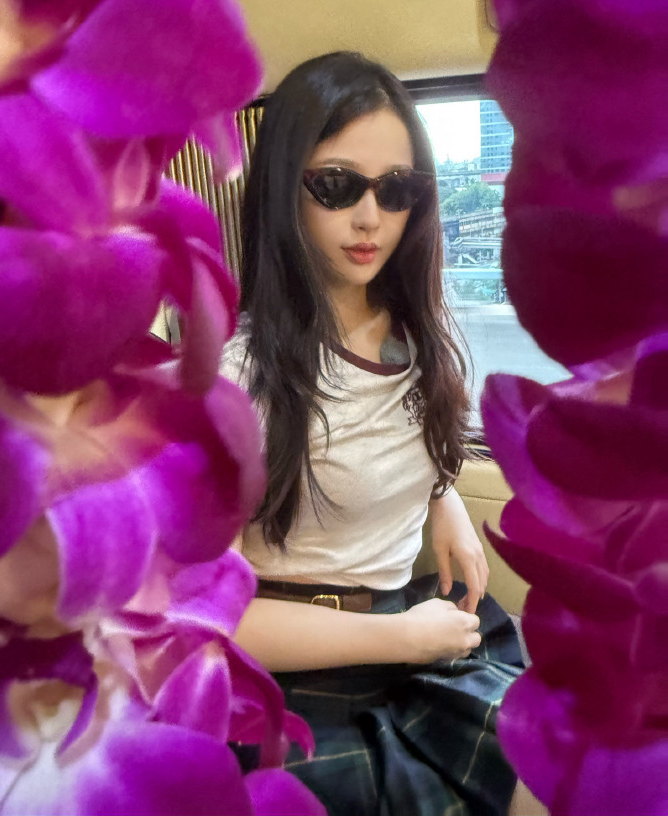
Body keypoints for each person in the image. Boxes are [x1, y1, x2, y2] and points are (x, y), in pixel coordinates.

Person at [221, 52, 526, 816]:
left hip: (404, 624)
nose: (371, 218)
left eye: (396, 190)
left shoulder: (415, 332)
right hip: (293, 674)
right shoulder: (239, 375)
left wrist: (443, 500)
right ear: (284, 186)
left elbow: (397, 438)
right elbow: (213, 617)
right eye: (337, 186)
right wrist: (403, 641)